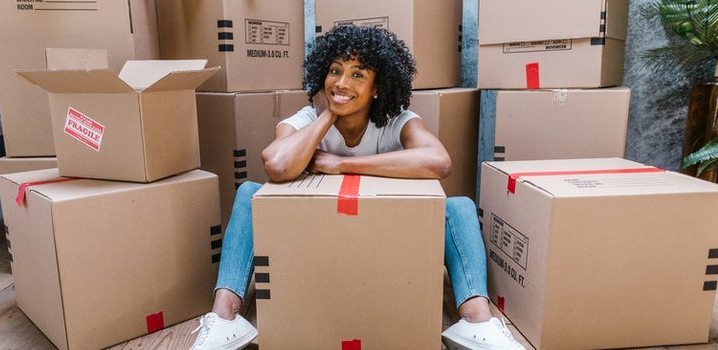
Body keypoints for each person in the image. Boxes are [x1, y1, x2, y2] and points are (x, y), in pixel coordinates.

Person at [189, 25, 525, 350]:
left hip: (379, 242)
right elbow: (276, 166)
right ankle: (225, 317)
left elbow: (440, 162)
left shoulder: (397, 121)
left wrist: (340, 163)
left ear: (378, 88)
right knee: (249, 193)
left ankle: (476, 321)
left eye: (358, 75)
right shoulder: (306, 119)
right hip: (317, 243)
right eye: (334, 71)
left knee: (459, 206)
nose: (342, 83)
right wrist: (326, 116)